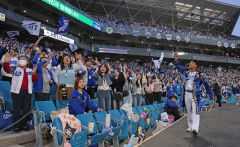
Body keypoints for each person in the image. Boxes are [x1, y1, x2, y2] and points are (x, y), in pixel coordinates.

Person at [174, 53, 214, 136]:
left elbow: (206, 85)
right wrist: (176, 59)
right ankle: (190, 127)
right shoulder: (186, 71)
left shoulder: (200, 75)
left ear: (196, 65)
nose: (190, 64)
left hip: (196, 95)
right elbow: (178, 67)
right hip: (186, 94)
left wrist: (211, 94)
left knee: (196, 111)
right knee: (188, 111)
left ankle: (196, 128)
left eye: (191, 63)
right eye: (189, 63)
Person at [3, 54, 38, 132]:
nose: (22, 60)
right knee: (17, 109)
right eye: (20, 59)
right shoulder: (15, 69)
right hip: (16, 92)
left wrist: (34, 73)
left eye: (23, 59)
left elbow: (35, 79)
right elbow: (7, 70)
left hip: (27, 92)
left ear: (27, 62)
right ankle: (17, 126)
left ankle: (24, 125)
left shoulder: (30, 70)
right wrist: (6, 62)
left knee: (26, 109)